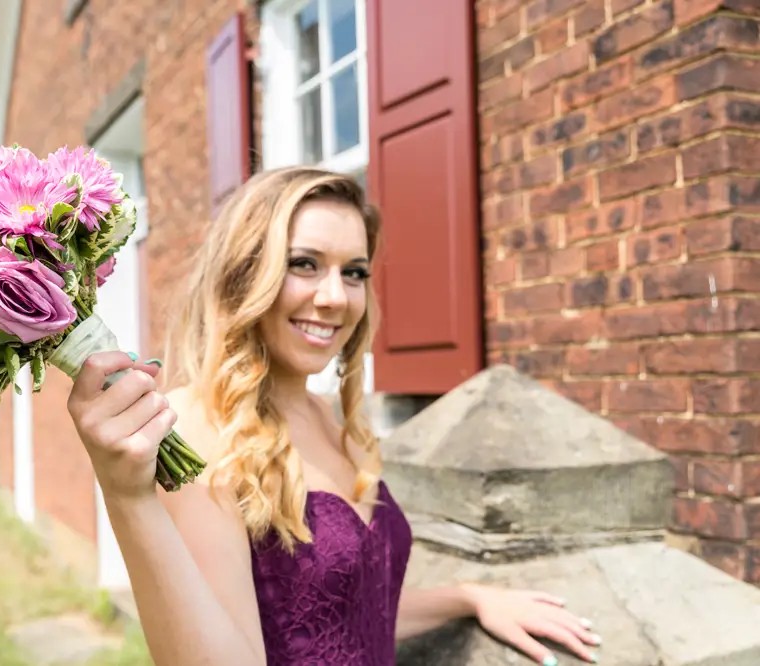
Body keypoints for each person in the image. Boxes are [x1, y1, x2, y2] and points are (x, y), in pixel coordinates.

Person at [66, 167, 602, 666]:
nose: (335, 297)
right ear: (242, 274)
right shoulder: (197, 427)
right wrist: (128, 498)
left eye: (355, 272)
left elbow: (341, 614)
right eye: (304, 264)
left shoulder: (338, 425)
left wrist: (468, 597)